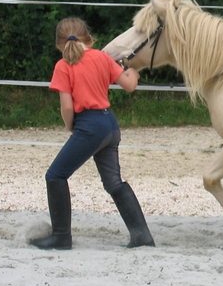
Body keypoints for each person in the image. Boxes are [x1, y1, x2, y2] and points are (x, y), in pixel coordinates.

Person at [30, 17, 155, 250]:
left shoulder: (63, 66)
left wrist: (71, 126)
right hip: (109, 124)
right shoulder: (102, 58)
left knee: (55, 175)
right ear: (88, 36)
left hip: (89, 126)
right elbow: (129, 85)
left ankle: (61, 237)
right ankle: (142, 236)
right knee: (114, 182)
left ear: (59, 43)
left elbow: (67, 107)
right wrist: (134, 70)